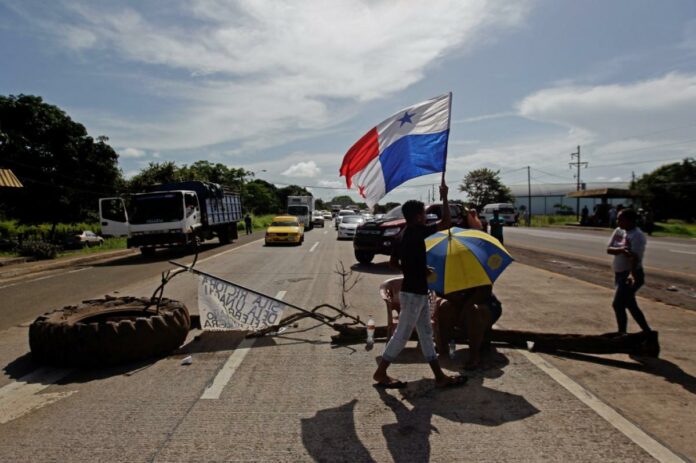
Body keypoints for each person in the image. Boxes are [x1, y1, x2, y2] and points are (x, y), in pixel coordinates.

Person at [372, 182, 466, 389]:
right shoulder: (418, 231)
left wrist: (418, 269)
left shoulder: (402, 233)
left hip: (416, 292)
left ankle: (439, 376)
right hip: (414, 294)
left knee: (425, 334)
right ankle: (380, 373)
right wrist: (444, 197)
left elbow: (393, 263)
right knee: (402, 335)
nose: (425, 217)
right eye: (423, 213)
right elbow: (447, 223)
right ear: (417, 216)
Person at [606, 208, 652, 334]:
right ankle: (648, 333)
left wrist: (632, 275)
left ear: (630, 221)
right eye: (618, 219)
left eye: (621, 219)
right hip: (619, 273)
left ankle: (622, 333)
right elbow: (609, 249)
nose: (618, 221)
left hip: (630, 274)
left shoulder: (638, 236)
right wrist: (621, 250)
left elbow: (635, 258)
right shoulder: (619, 231)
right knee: (630, 304)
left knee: (618, 304)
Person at [435, 285, 503, 370]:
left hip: (485, 306)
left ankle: (474, 355)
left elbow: (484, 292)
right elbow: (438, 292)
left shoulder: (478, 274)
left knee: (473, 311)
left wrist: (466, 307)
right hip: (459, 303)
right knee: (445, 308)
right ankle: (443, 349)